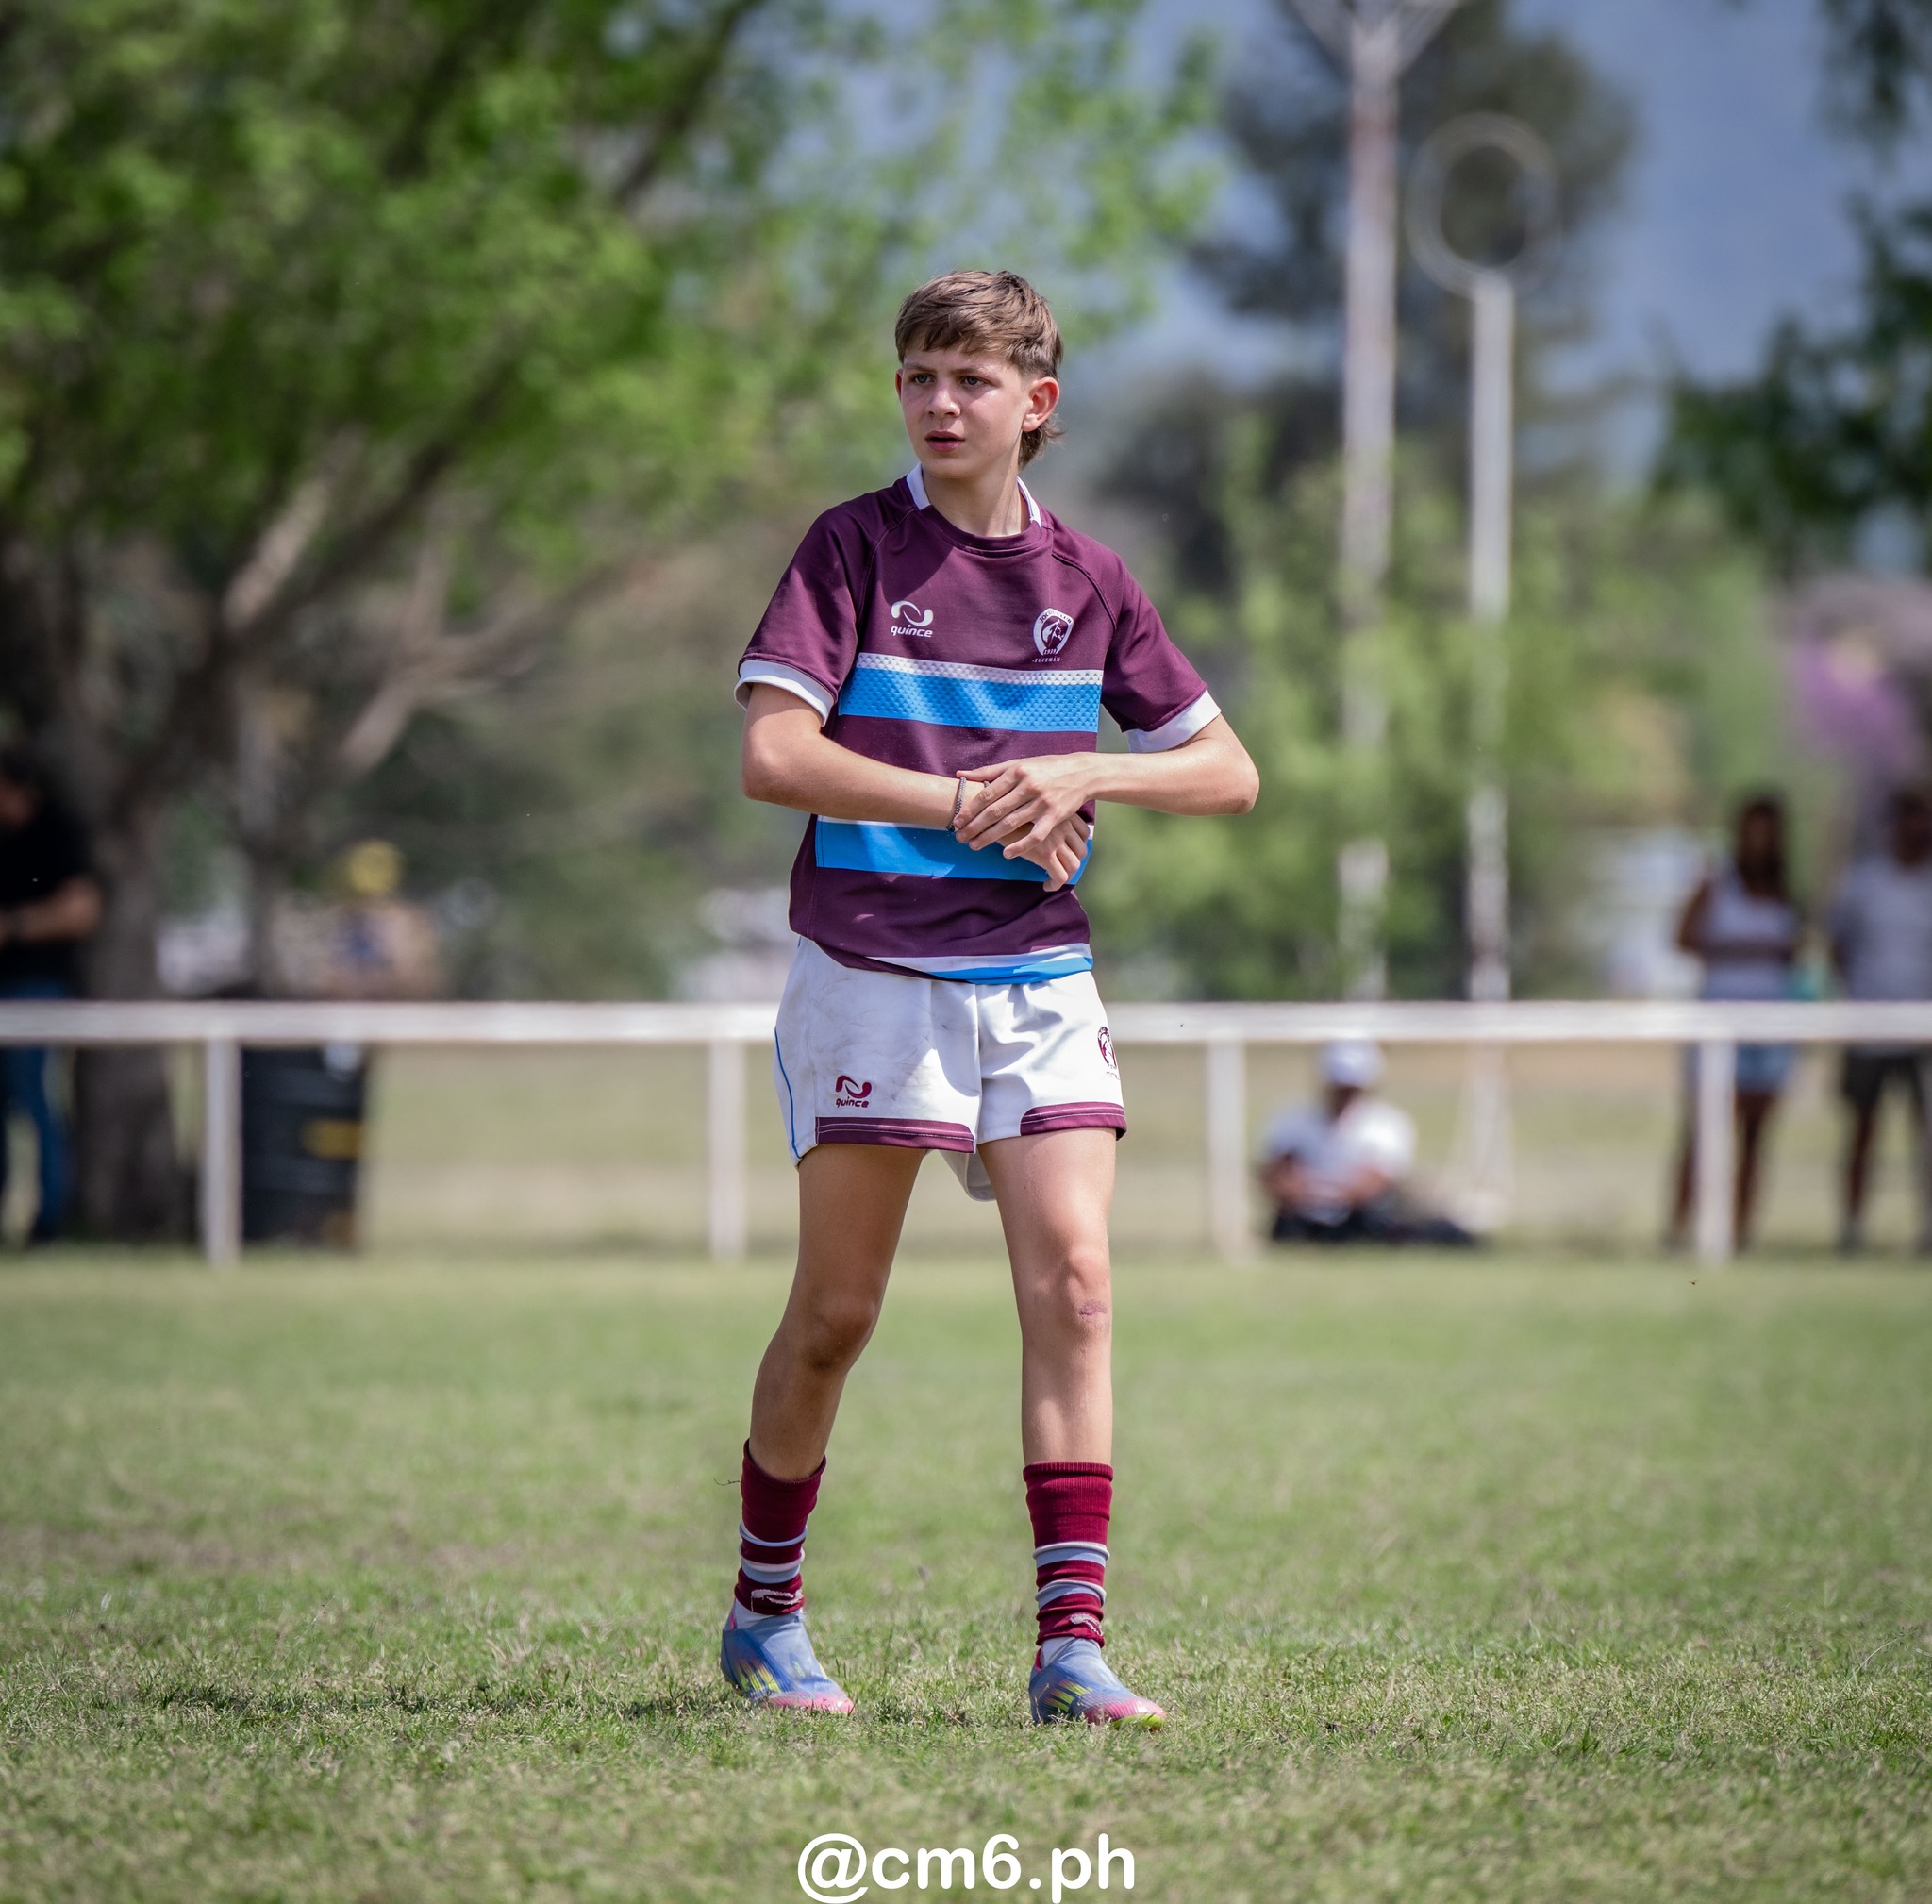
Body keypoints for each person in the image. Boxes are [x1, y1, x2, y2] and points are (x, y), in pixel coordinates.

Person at [722, 270, 1258, 1727]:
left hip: (1035, 972)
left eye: (968, 379)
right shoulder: (849, 548)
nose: (939, 404)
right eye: (917, 377)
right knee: (837, 1312)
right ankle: (767, 1614)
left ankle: (1070, 1650)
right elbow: (777, 755)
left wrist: (1089, 766)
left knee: (1078, 1286)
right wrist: (965, 803)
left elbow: (1228, 770)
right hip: (873, 962)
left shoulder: (1089, 581)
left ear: (1040, 405)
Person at [1666, 793, 1804, 1252]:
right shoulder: (1715, 885)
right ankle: (1680, 1229)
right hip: (1718, 1020)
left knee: (1755, 1137)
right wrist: (1744, 951)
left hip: (1770, 1025)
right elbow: (1682, 938)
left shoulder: (1786, 892)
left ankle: (1740, 1234)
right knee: (1702, 1133)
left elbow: (1798, 952)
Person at [0, 747, 101, 1244]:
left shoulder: (56, 831)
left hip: (39, 985)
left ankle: (50, 1218)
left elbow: (81, 910)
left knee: (32, 1094)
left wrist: (14, 927)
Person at [1828, 786, 1932, 1253]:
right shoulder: (1864, 882)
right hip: (1869, 1026)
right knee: (1862, 1130)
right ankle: (1852, 1227)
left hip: (1925, 1031)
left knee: (1924, 1132)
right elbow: (1838, 944)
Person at [1259, 1041, 1475, 1246]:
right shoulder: (1291, 1120)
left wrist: (1319, 1191)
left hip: (1361, 1220)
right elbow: (1277, 1176)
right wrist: (1314, 1194)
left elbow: (1373, 1184)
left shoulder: (1388, 1124)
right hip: (1301, 1220)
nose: (1344, 1095)